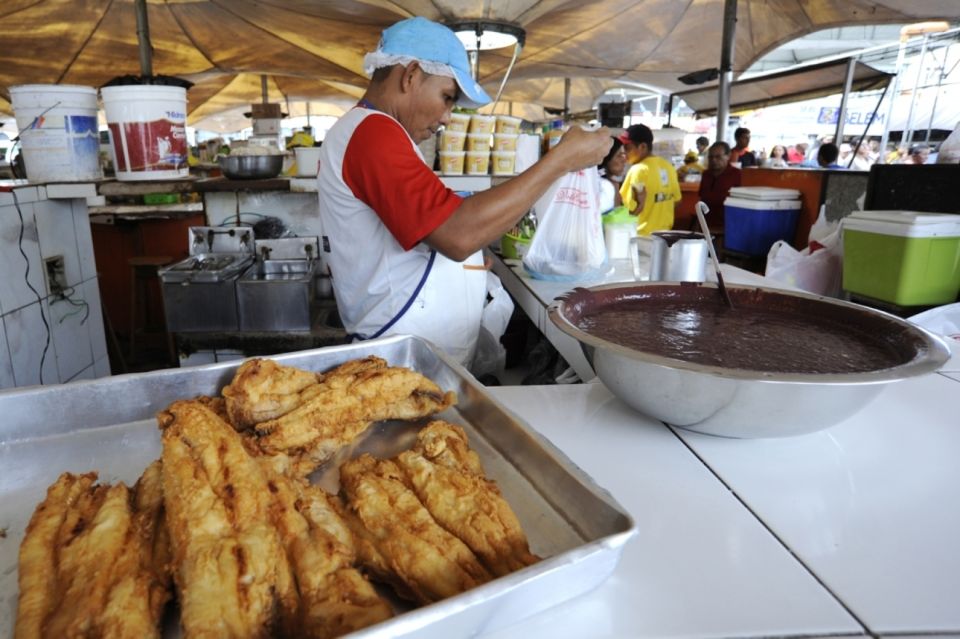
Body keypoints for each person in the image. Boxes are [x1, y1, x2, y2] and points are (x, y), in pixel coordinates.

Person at [316, 17, 611, 366]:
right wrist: (560, 160)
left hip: (413, 352)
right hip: (401, 359)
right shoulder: (373, 134)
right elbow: (456, 234)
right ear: (410, 75)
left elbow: (426, 227)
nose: (446, 118)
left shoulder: (374, 132)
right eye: (447, 97)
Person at [618, 123, 681, 235]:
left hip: (641, 236)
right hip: (664, 235)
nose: (624, 154)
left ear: (642, 146)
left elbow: (627, 209)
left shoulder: (638, 170)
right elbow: (677, 201)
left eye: (627, 148)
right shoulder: (668, 167)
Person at [698, 141, 742, 231]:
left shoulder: (737, 174)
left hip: (728, 226)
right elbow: (702, 197)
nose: (714, 160)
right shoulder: (706, 174)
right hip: (706, 225)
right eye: (711, 157)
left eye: (718, 157)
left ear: (728, 156)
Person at [598, 136, 626, 213]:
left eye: (624, 155)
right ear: (606, 159)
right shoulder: (602, 187)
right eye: (619, 156)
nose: (624, 160)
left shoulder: (614, 184)